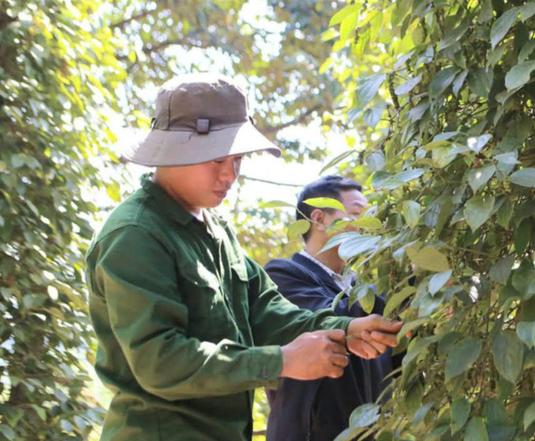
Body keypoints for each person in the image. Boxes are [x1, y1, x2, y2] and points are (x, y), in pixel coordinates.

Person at [85, 73, 402, 441]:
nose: (230, 174)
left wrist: (345, 329)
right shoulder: (135, 235)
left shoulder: (215, 229)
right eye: (217, 159)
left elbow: (266, 311)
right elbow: (160, 361)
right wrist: (282, 361)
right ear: (173, 151)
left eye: (237, 159)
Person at [264, 175, 395, 441]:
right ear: (319, 219)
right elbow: (339, 323)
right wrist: (396, 274)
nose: (369, 226)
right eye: (357, 214)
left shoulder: (367, 285)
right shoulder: (283, 275)